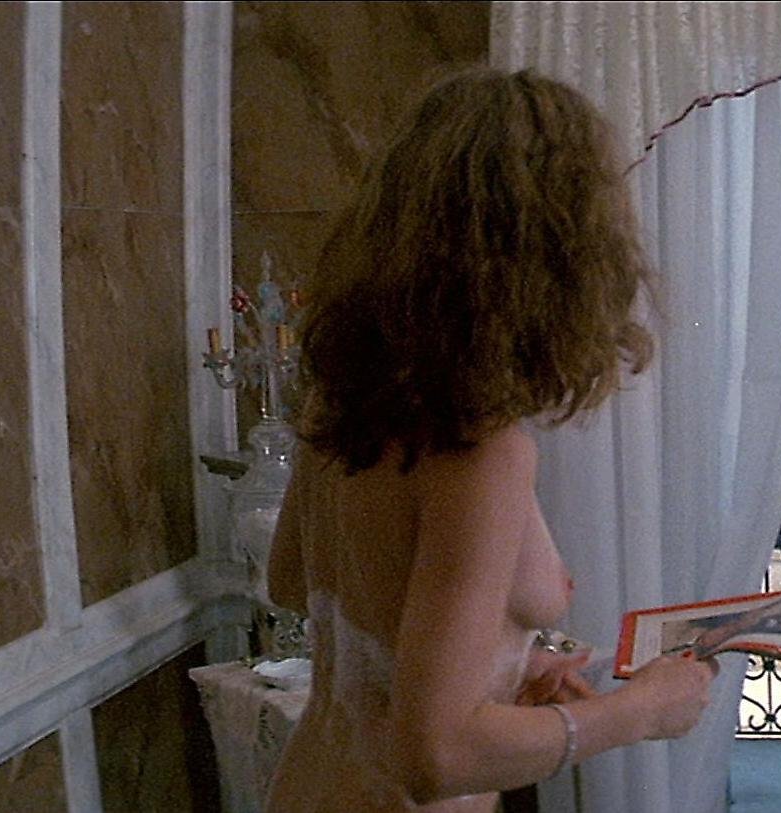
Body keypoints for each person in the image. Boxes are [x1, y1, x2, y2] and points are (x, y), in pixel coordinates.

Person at [264, 67, 719, 812]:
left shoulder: (344, 399)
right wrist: (642, 710)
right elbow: (435, 756)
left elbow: (297, 585)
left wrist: (501, 663)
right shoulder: (479, 454)